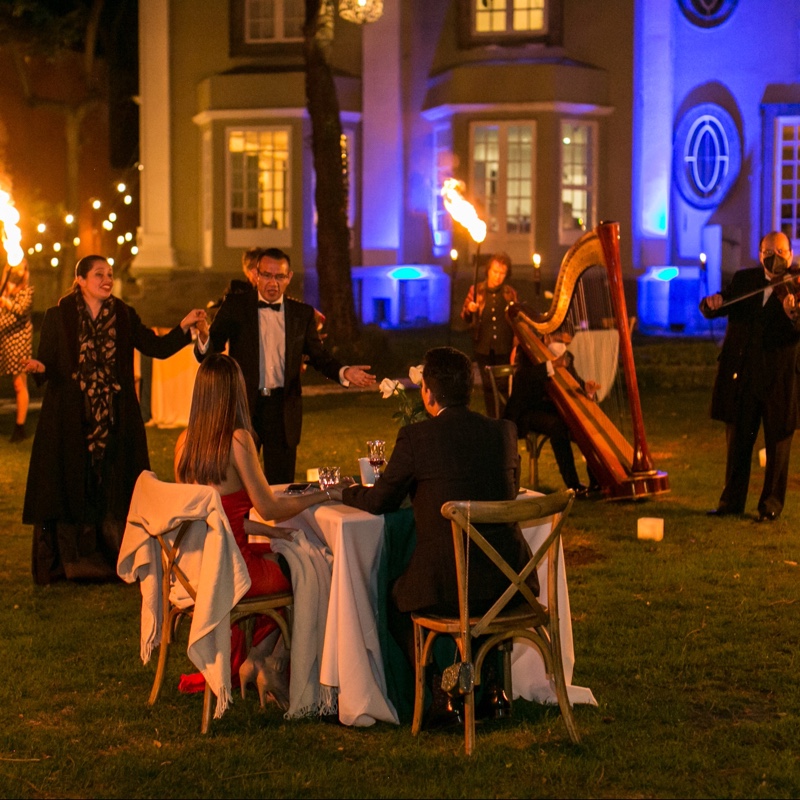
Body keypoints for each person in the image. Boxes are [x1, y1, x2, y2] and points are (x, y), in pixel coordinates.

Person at [328, 346, 538, 726]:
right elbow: (510, 491)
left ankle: (442, 694)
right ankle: (492, 687)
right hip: (509, 583)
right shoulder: (503, 432)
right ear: (469, 388)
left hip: (449, 587)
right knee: (473, 588)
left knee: (395, 595)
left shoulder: (417, 437)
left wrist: (345, 491)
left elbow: (380, 500)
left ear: (427, 392)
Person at [22, 255, 207, 584]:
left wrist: (184, 326)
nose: (107, 279)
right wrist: (39, 367)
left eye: (109, 274)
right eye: (99, 274)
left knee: (115, 483)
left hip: (115, 417)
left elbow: (156, 346)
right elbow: (48, 362)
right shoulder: (58, 315)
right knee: (71, 481)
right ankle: (70, 562)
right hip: (71, 418)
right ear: (81, 280)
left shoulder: (123, 314)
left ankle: (116, 558)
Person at [174, 352, 335, 709]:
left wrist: (269, 532)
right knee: (309, 568)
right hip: (234, 569)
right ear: (235, 392)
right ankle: (272, 662)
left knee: (288, 552)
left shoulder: (184, 443)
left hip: (200, 568)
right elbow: (270, 506)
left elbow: (208, 517)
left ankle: (256, 660)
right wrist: (321, 495)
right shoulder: (237, 441)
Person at [195, 247, 375, 484]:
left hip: (283, 410)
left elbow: (319, 357)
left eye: (279, 276)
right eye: (267, 275)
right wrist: (204, 337)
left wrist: (344, 371)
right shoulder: (236, 306)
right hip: (244, 406)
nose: (273, 283)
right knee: (238, 482)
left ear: (289, 277)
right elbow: (211, 351)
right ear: (256, 275)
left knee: (281, 484)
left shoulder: (301, 314)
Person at [700, 230, 800, 522]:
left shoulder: (795, 286)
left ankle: (770, 506)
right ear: (760, 254)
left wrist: (792, 313)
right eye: (769, 252)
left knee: (778, 445)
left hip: (780, 380)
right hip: (744, 376)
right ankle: (731, 503)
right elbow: (721, 305)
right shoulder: (745, 280)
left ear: (791, 255)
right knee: (739, 444)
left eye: (781, 252)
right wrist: (711, 303)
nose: (775, 257)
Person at [503, 335, 600, 495]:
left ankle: (597, 481)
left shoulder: (562, 353)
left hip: (552, 410)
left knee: (585, 424)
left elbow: (574, 381)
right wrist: (551, 365)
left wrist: (587, 390)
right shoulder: (525, 351)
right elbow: (523, 377)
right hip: (528, 410)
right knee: (557, 426)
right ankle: (573, 485)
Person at [460, 252, 518, 417]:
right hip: (483, 347)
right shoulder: (476, 290)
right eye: (495, 272)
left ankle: (504, 418)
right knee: (488, 386)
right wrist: (470, 309)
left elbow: (517, 319)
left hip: (504, 346)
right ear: (488, 271)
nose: (498, 277)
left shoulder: (509, 293)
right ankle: (492, 418)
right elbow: (465, 317)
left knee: (503, 385)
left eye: (502, 273)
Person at [0, 258, 33, 442]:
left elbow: (21, 310)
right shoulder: (4, 289)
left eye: (22, 266)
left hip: (19, 341)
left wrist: (5, 303)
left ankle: (20, 427)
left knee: (19, 384)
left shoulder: (27, 291)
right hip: (4, 339)